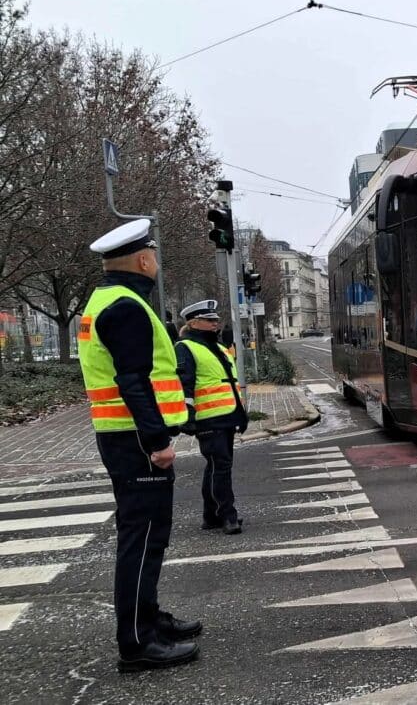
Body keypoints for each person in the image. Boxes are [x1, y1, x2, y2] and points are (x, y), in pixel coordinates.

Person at [78, 219, 200, 673]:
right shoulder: (127, 307)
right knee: (142, 539)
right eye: (154, 257)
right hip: (135, 440)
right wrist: (157, 441)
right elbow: (133, 381)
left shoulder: (105, 300)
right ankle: (136, 641)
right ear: (145, 259)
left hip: (123, 437)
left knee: (150, 535)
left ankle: (149, 620)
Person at [175, 300, 248, 535]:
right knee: (221, 467)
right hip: (208, 419)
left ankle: (211, 515)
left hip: (225, 416)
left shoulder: (218, 347)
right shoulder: (186, 347)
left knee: (215, 466)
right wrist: (188, 417)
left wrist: (240, 414)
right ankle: (228, 516)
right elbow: (184, 384)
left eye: (216, 319)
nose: (216, 323)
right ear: (194, 322)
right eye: (210, 320)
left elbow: (229, 383)